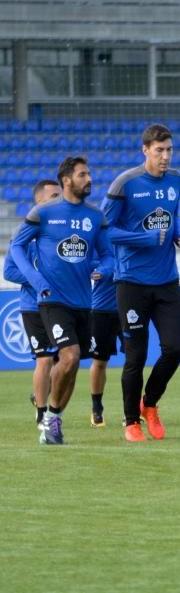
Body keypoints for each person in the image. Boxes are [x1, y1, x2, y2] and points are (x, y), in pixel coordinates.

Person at [11, 157, 113, 445]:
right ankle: (48, 415)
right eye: (83, 174)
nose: (89, 178)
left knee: (73, 363)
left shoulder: (96, 217)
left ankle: (53, 419)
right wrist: (35, 278)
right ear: (67, 180)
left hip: (84, 301)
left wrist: (103, 270)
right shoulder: (43, 213)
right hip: (52, 300)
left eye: (89, 173)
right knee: (69, 355)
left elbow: (108, 256)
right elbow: (16, 247)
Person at [104, 123, 180, 442]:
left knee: (174, 349)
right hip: (132, 283)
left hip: (167, 281)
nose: (165, 156)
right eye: (159, 151)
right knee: (136, 356)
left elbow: (172, 215)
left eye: (169, 150)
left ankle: (149, 404)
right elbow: (106, 230)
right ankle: (130, 421)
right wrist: (145, 237)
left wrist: (179, 235)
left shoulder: (176, 180)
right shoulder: (125, 184)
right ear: (145, 150)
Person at [4, 179, 62, 424]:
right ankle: (41, 413)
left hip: (61, 305)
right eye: (53, 196)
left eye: (60, 195)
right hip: (32, 306)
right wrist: (37, 280)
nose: (58, 200)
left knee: (64, 360)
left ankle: (40, 394)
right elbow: (8, 272)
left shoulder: (62, 232)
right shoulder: (24, 236)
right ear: (38, 202)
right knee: (45, 358)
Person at [87, 273, 120, 427]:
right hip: (102, 310)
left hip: (130, 306)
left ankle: (132, 411)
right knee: (100, 362)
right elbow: (91, 266)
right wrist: (104, 268)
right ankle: (97, 408)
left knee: (135, 359)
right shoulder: (98, 250)